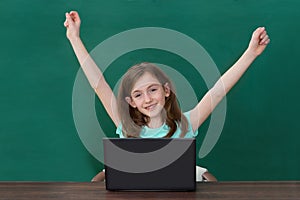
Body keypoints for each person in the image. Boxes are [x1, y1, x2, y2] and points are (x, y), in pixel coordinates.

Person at [64, 11, 270, 182]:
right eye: (138, 94)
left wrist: (250, 53)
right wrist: (74, 38)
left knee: (205, 176)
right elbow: (98, 84)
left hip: (177, 189)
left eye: (152, 89)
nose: (147, 99)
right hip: (134, 188)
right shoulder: (124, 123)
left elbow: (217, 92)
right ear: (131, 102)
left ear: (166, 90)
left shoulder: (186, 123)